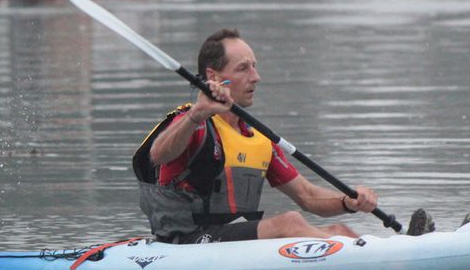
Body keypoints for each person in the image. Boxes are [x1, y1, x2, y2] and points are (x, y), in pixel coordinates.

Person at [133, 28, 384, 244]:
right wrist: (197, 113)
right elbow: (158, 155)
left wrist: (347, 201)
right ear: (213, 77)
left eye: (254, 66)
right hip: (186, 238)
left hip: (230, 238)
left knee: (338, 231)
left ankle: (384, 253)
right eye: (243, 68)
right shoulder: (193, 122)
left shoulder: (259, 139)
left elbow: (307, 196)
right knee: (289, 222)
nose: (256, 77)